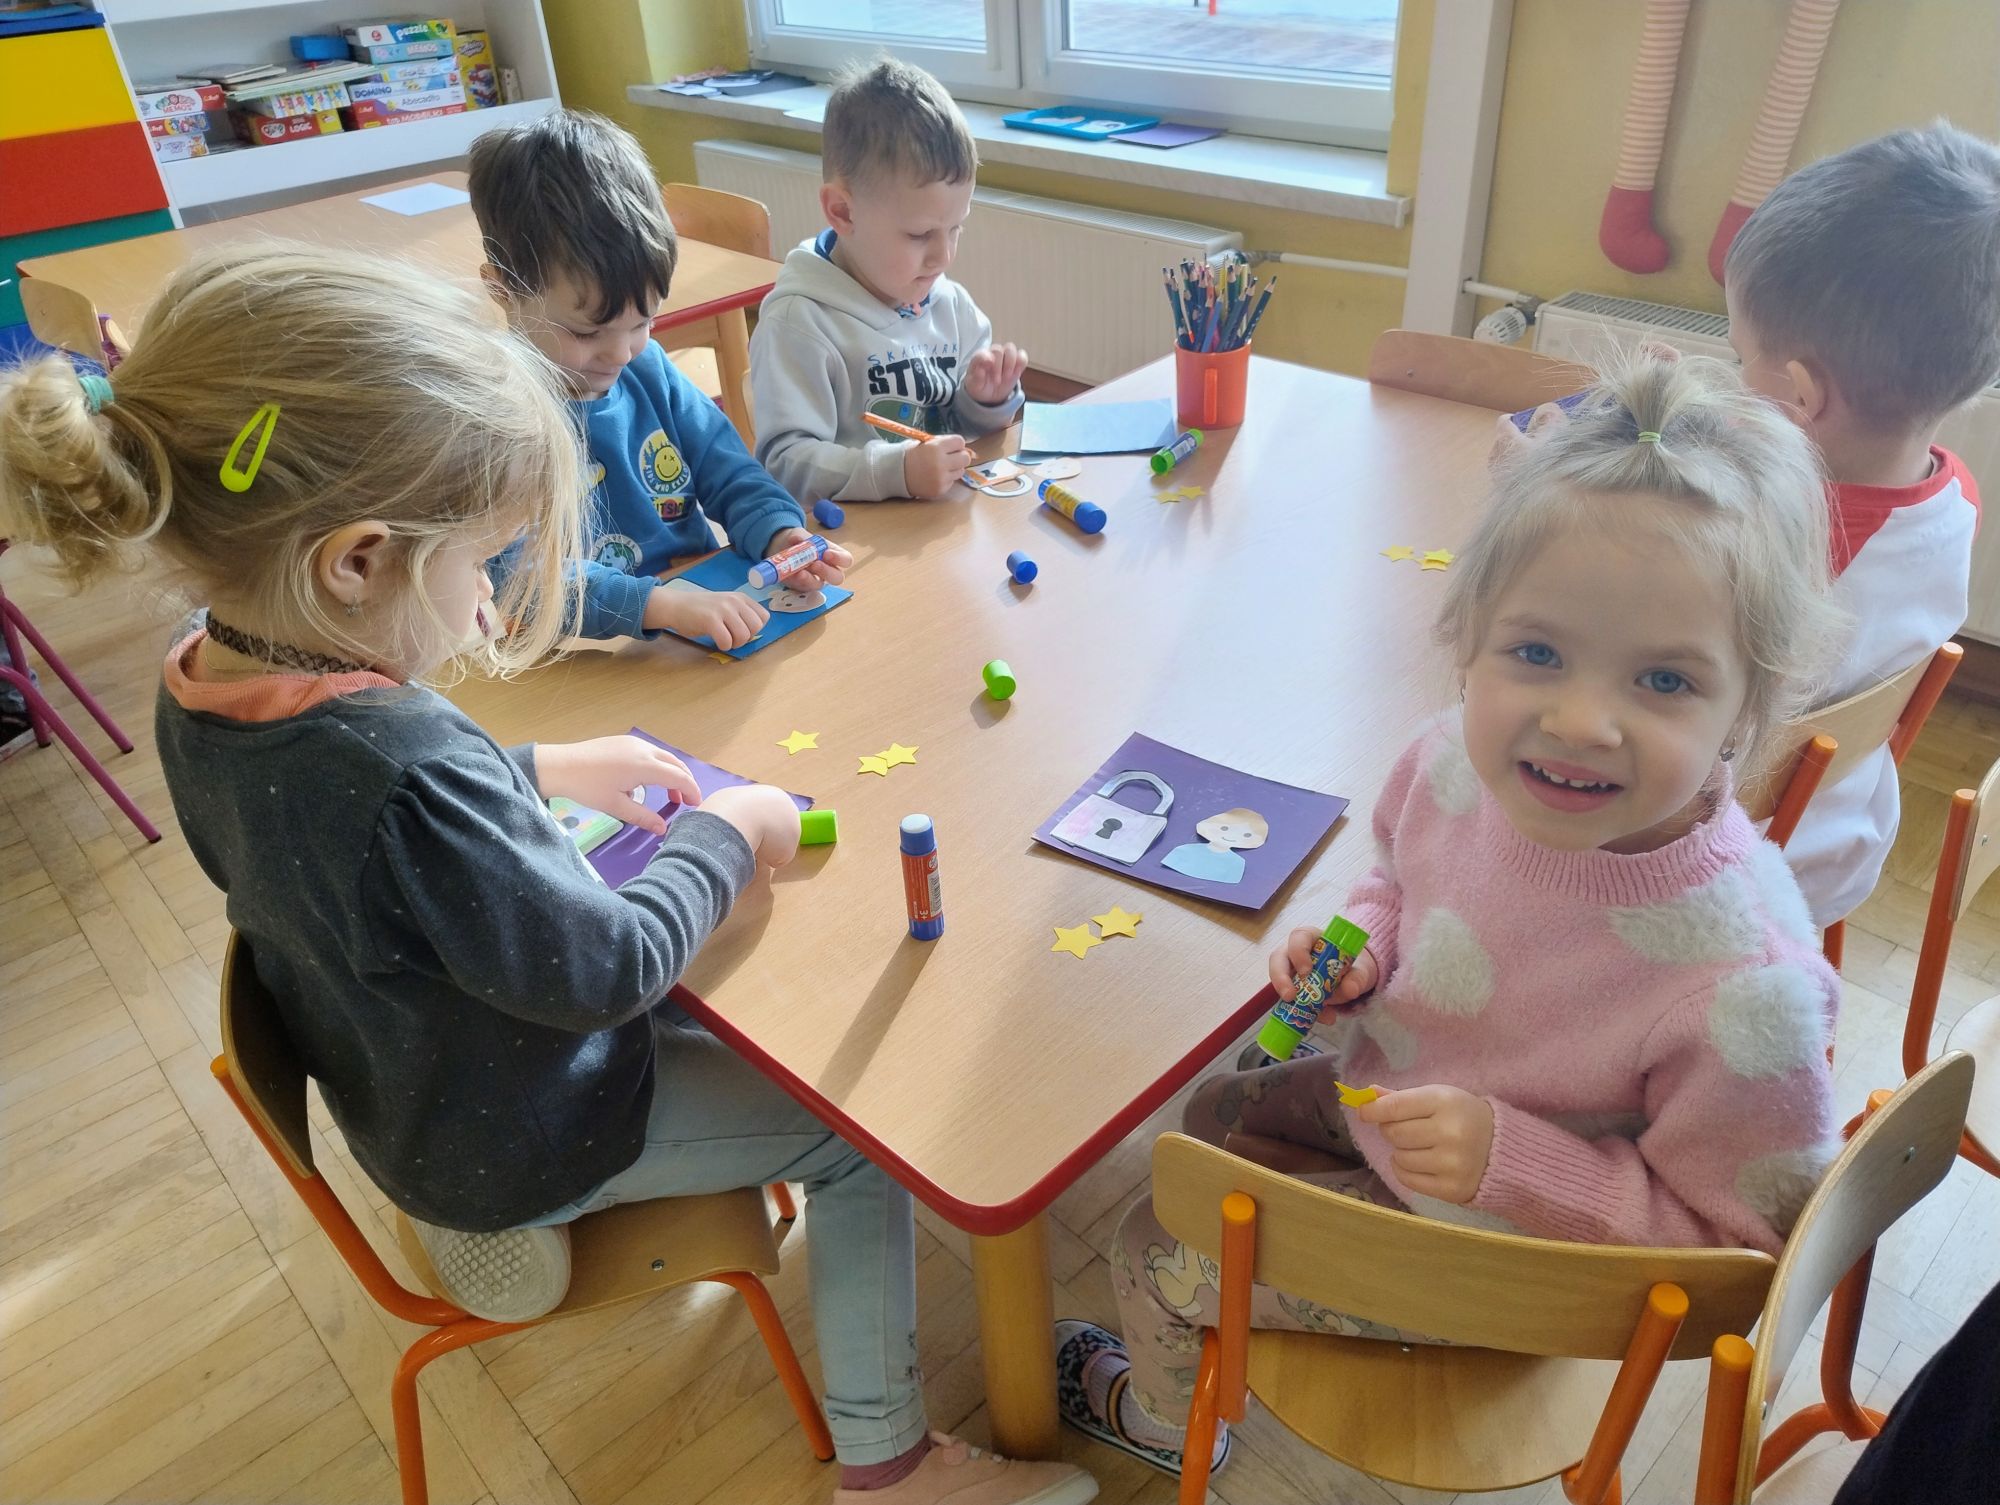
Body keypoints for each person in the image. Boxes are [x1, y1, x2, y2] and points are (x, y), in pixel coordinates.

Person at [0, 245, 1094, 1505]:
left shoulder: (206, 677)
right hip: (515, 1130)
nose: (487, 601)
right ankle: (888, 1467)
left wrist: (533, 766)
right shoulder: (405, 769)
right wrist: (725, 827)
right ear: (355, 561)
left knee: (750, 1013)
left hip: (407, 1078)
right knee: (861, 1138)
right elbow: (607, 968)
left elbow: (348, 831)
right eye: (481, 565)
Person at [1054, 354, 1846, 1480]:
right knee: (1212, 1111)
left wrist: (1516, 1163)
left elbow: (1736, 1253)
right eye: (1536, 653)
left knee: (1149, 1241)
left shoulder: (1746, 987)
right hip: (1399, 1105)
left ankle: (1163, 1419)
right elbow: (1396, 879)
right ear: (1467, 641)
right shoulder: (1452, 763)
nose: (1579, 721)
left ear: (1746, 707)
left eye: (1664, 681)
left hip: (1509, 1263)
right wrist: (1364, 948)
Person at [1723, 122, 1995, 929]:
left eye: (1739, 356)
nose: (1734, 375)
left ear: (1801, 395)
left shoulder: (1772, 546)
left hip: (1724, 863)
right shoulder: (1954, 494)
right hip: (1839, 834)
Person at [468, 109, 851, 652]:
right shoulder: (490, 417)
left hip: (696, 622)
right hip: (580, 656)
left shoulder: (646, 368)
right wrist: (660, 605)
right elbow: (519, 577)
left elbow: (728, 469)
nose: (622, 352)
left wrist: (777, 532)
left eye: (642, 322)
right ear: (504, 290)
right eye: (587, 331)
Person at [751, 56, 1027, 503]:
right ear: (843, 212)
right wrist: (896, 472)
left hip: (942, 524)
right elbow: (784, 463)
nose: (944, 255)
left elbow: (967, 434)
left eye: (956, 228)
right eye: (920, 235)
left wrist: (985, 401)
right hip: (856, 537)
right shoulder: (799, 323)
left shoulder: (952, 305)